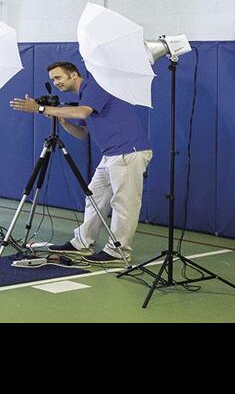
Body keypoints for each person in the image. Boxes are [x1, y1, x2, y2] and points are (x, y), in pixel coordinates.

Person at [9, 62, 153, 265]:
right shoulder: (85, 96)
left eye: (58, 77)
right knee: (93, 197)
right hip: (112, 154)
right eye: (52, 80)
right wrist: (64, 122)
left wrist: (41, 108)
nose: (55, 82)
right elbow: (83, 134)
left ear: (74, 74)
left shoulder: (95, 86)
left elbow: (83, 113)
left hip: (128, 152)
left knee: (124, 204)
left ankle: (119, 252)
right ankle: (83, 242)